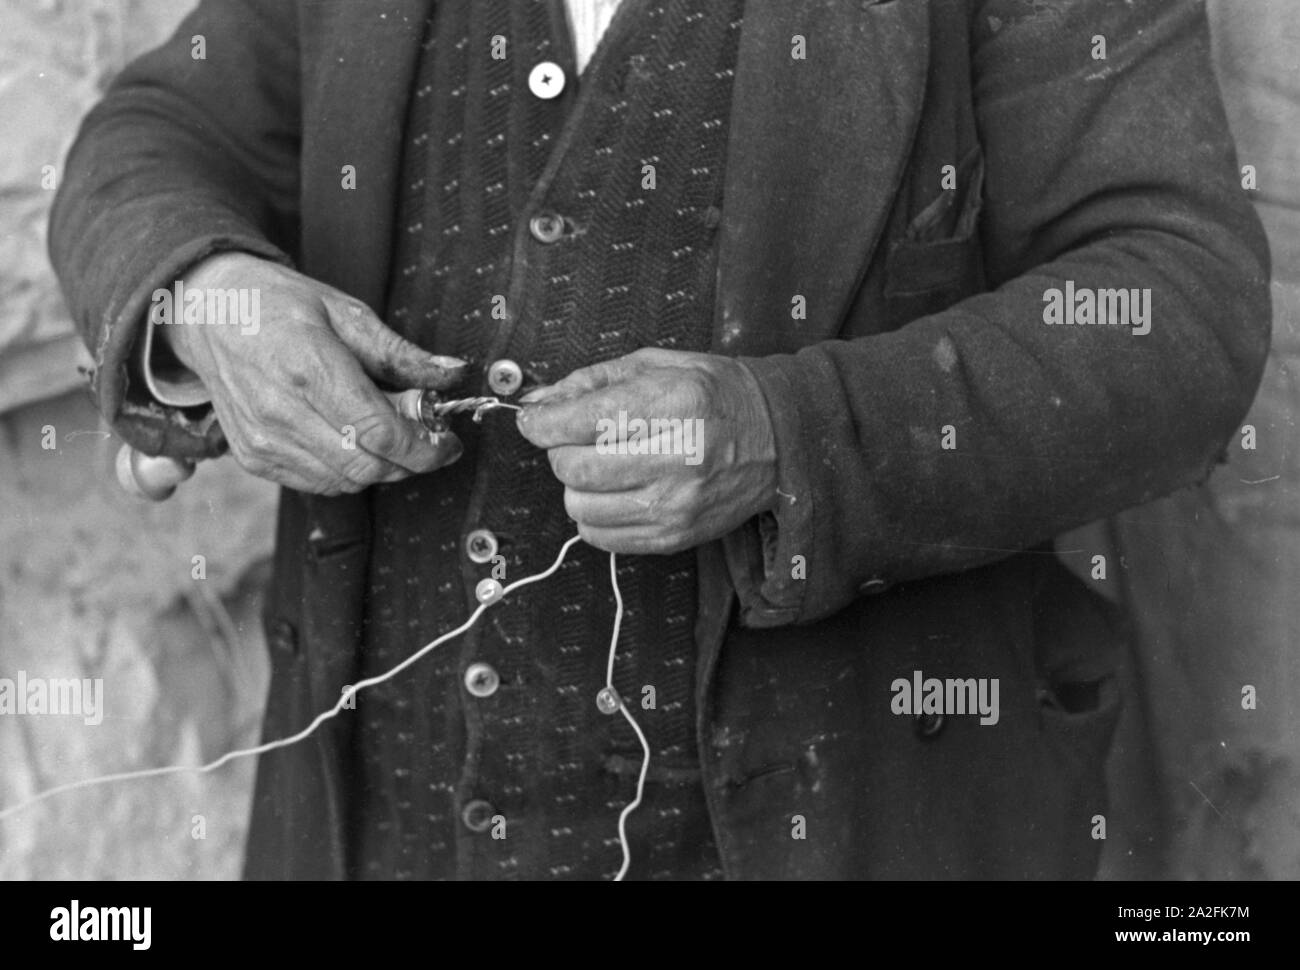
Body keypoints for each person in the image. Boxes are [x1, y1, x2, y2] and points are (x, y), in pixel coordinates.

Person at [49, 0, 1270, 880]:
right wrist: (199, 295)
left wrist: (793, 437)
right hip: (371, 834)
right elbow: (154, 134)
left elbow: (1180, 309)